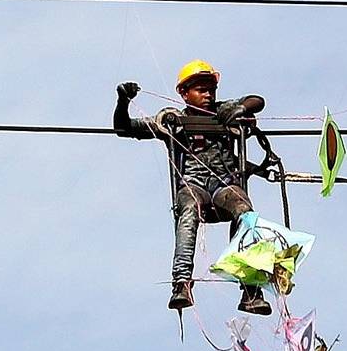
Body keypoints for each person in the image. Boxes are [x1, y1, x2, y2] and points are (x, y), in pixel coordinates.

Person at [115, 60, 271, 314]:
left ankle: (251, 288)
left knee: (245, 213)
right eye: (201, 90)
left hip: (225, 185)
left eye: (211, 89)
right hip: (194, 185)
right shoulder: (171, 119)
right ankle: (181, 283)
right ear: (185, 94)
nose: (208, 95)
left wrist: (241, 108)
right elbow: (124, 128)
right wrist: (123, 101)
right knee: (189, 209)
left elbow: (257, 100)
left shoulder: (224, 111)